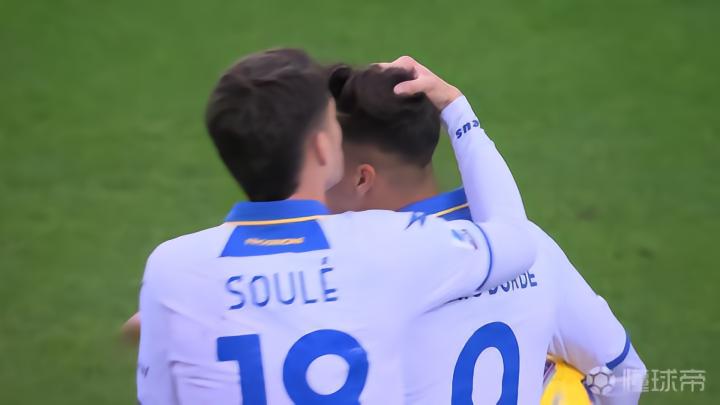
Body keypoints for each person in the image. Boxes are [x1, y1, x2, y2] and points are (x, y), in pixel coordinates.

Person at [136, 49, 537, 404]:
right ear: (321, 147)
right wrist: (455, 108)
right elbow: (515, 240)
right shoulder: (389, 243)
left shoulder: (172, 269)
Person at [325, 57, 646, 404]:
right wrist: (456, 108)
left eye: (325, 168)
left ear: (362, 178)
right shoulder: (533, 248)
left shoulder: (352, 272)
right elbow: (624, 374)